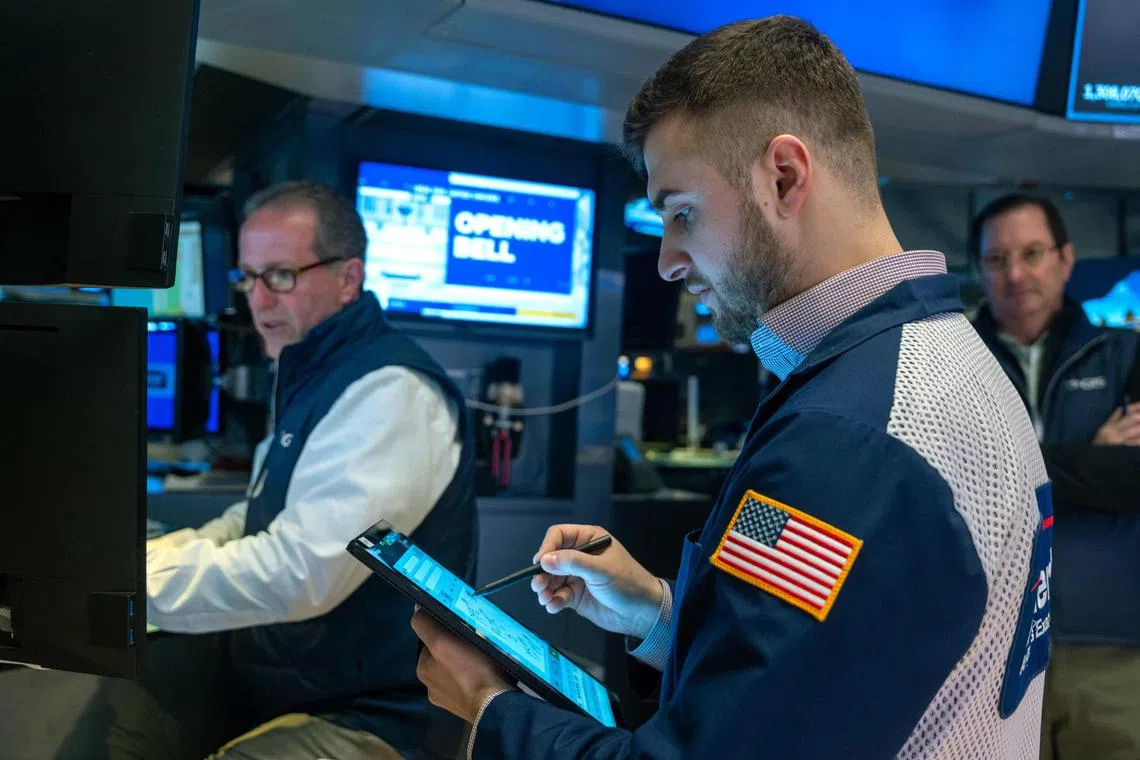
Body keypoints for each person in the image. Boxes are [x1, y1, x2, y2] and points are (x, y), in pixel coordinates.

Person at [410, 16, 1053, 759]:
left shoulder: (851, 439)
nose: (668, 263)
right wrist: (659, 614)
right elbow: (836, 662)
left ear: (784, 177)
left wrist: (492, 711)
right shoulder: (945, 361)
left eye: (681, 212)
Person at [75, 181, 477, 760]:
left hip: (376, 713)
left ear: (348, 277)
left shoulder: (391, 393)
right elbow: (260, 512)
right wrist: (160, 556)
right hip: (288, 677)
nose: (257, 299)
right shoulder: (312, 370)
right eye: (248, 277)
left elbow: (299, 573)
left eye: (281, 276)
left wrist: (134, 580)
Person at [969, 194, 1140, 760]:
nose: (1015, 275)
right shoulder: (953, 366)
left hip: (1113, 652)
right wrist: (1086, 458)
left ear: (1066, 260)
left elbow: (1132, 478)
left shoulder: (1126, 355)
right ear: (979, 269)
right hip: (990, 657)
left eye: (1032, 253)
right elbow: (950, 482)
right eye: (997, 260)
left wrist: (1013, 467)